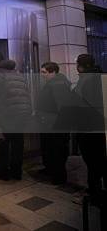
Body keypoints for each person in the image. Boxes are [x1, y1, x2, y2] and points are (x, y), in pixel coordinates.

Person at [0, 59, 31, 180]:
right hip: (23, 113)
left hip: (7, 113)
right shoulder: (19, 75)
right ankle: (16, 172)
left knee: (3, 142)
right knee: (18, 142)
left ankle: (3, 171)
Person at [73, 54, 106, 201]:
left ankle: (94, 194)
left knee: (93, 161)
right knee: (99, 159)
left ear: (81, 66)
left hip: (88, 128)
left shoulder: (86, 80)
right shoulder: (100, 77)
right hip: (98, 127)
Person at [36, 62, 71, 184]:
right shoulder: (54, 83)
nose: (42, 75)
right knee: (51, 148)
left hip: (54, 124)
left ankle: (59, 177)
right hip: (50, 122)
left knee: (57, 150)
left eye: (44, 72)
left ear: (53, 72)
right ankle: (51, 170)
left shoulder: (58, 84)